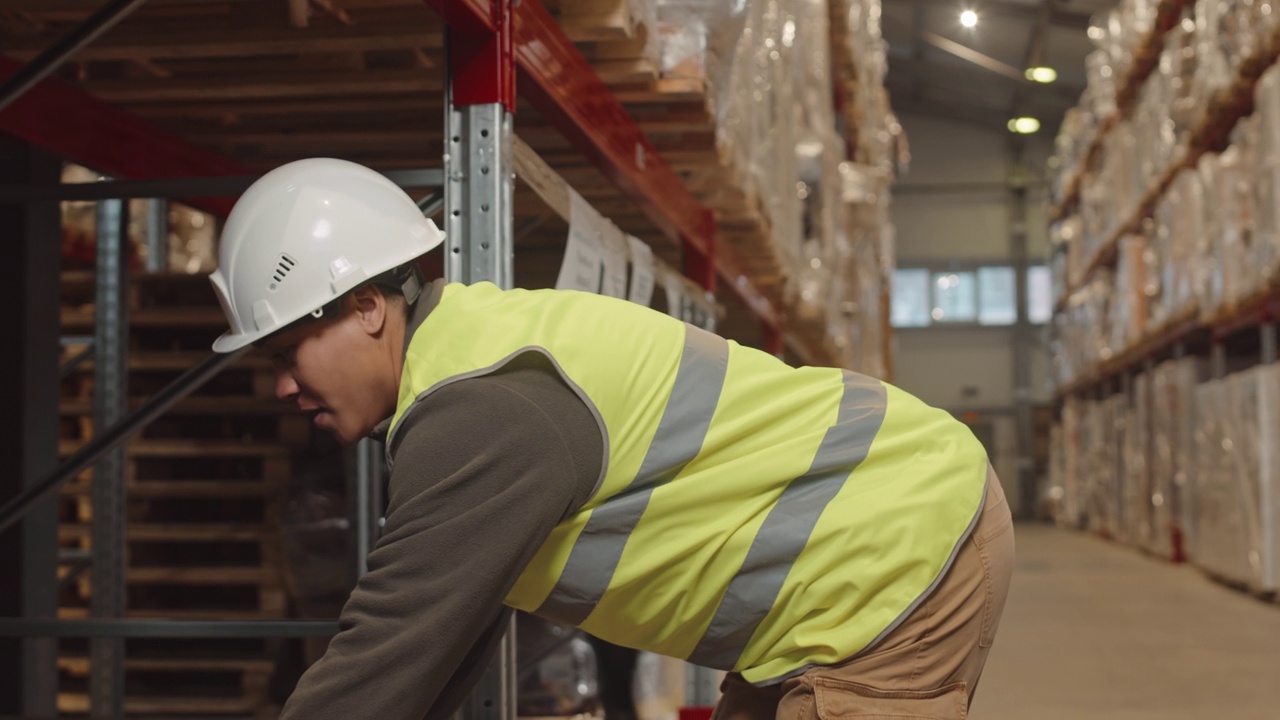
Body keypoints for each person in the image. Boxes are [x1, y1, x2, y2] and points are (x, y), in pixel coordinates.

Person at [209, 159, 1014, 720]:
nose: (282, 386)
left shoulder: (479, 413)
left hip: (900, 544)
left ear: (366, 309)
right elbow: (434, 646)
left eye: (288, 353)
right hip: (859, 562)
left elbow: (389, 646)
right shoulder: (465, 371)